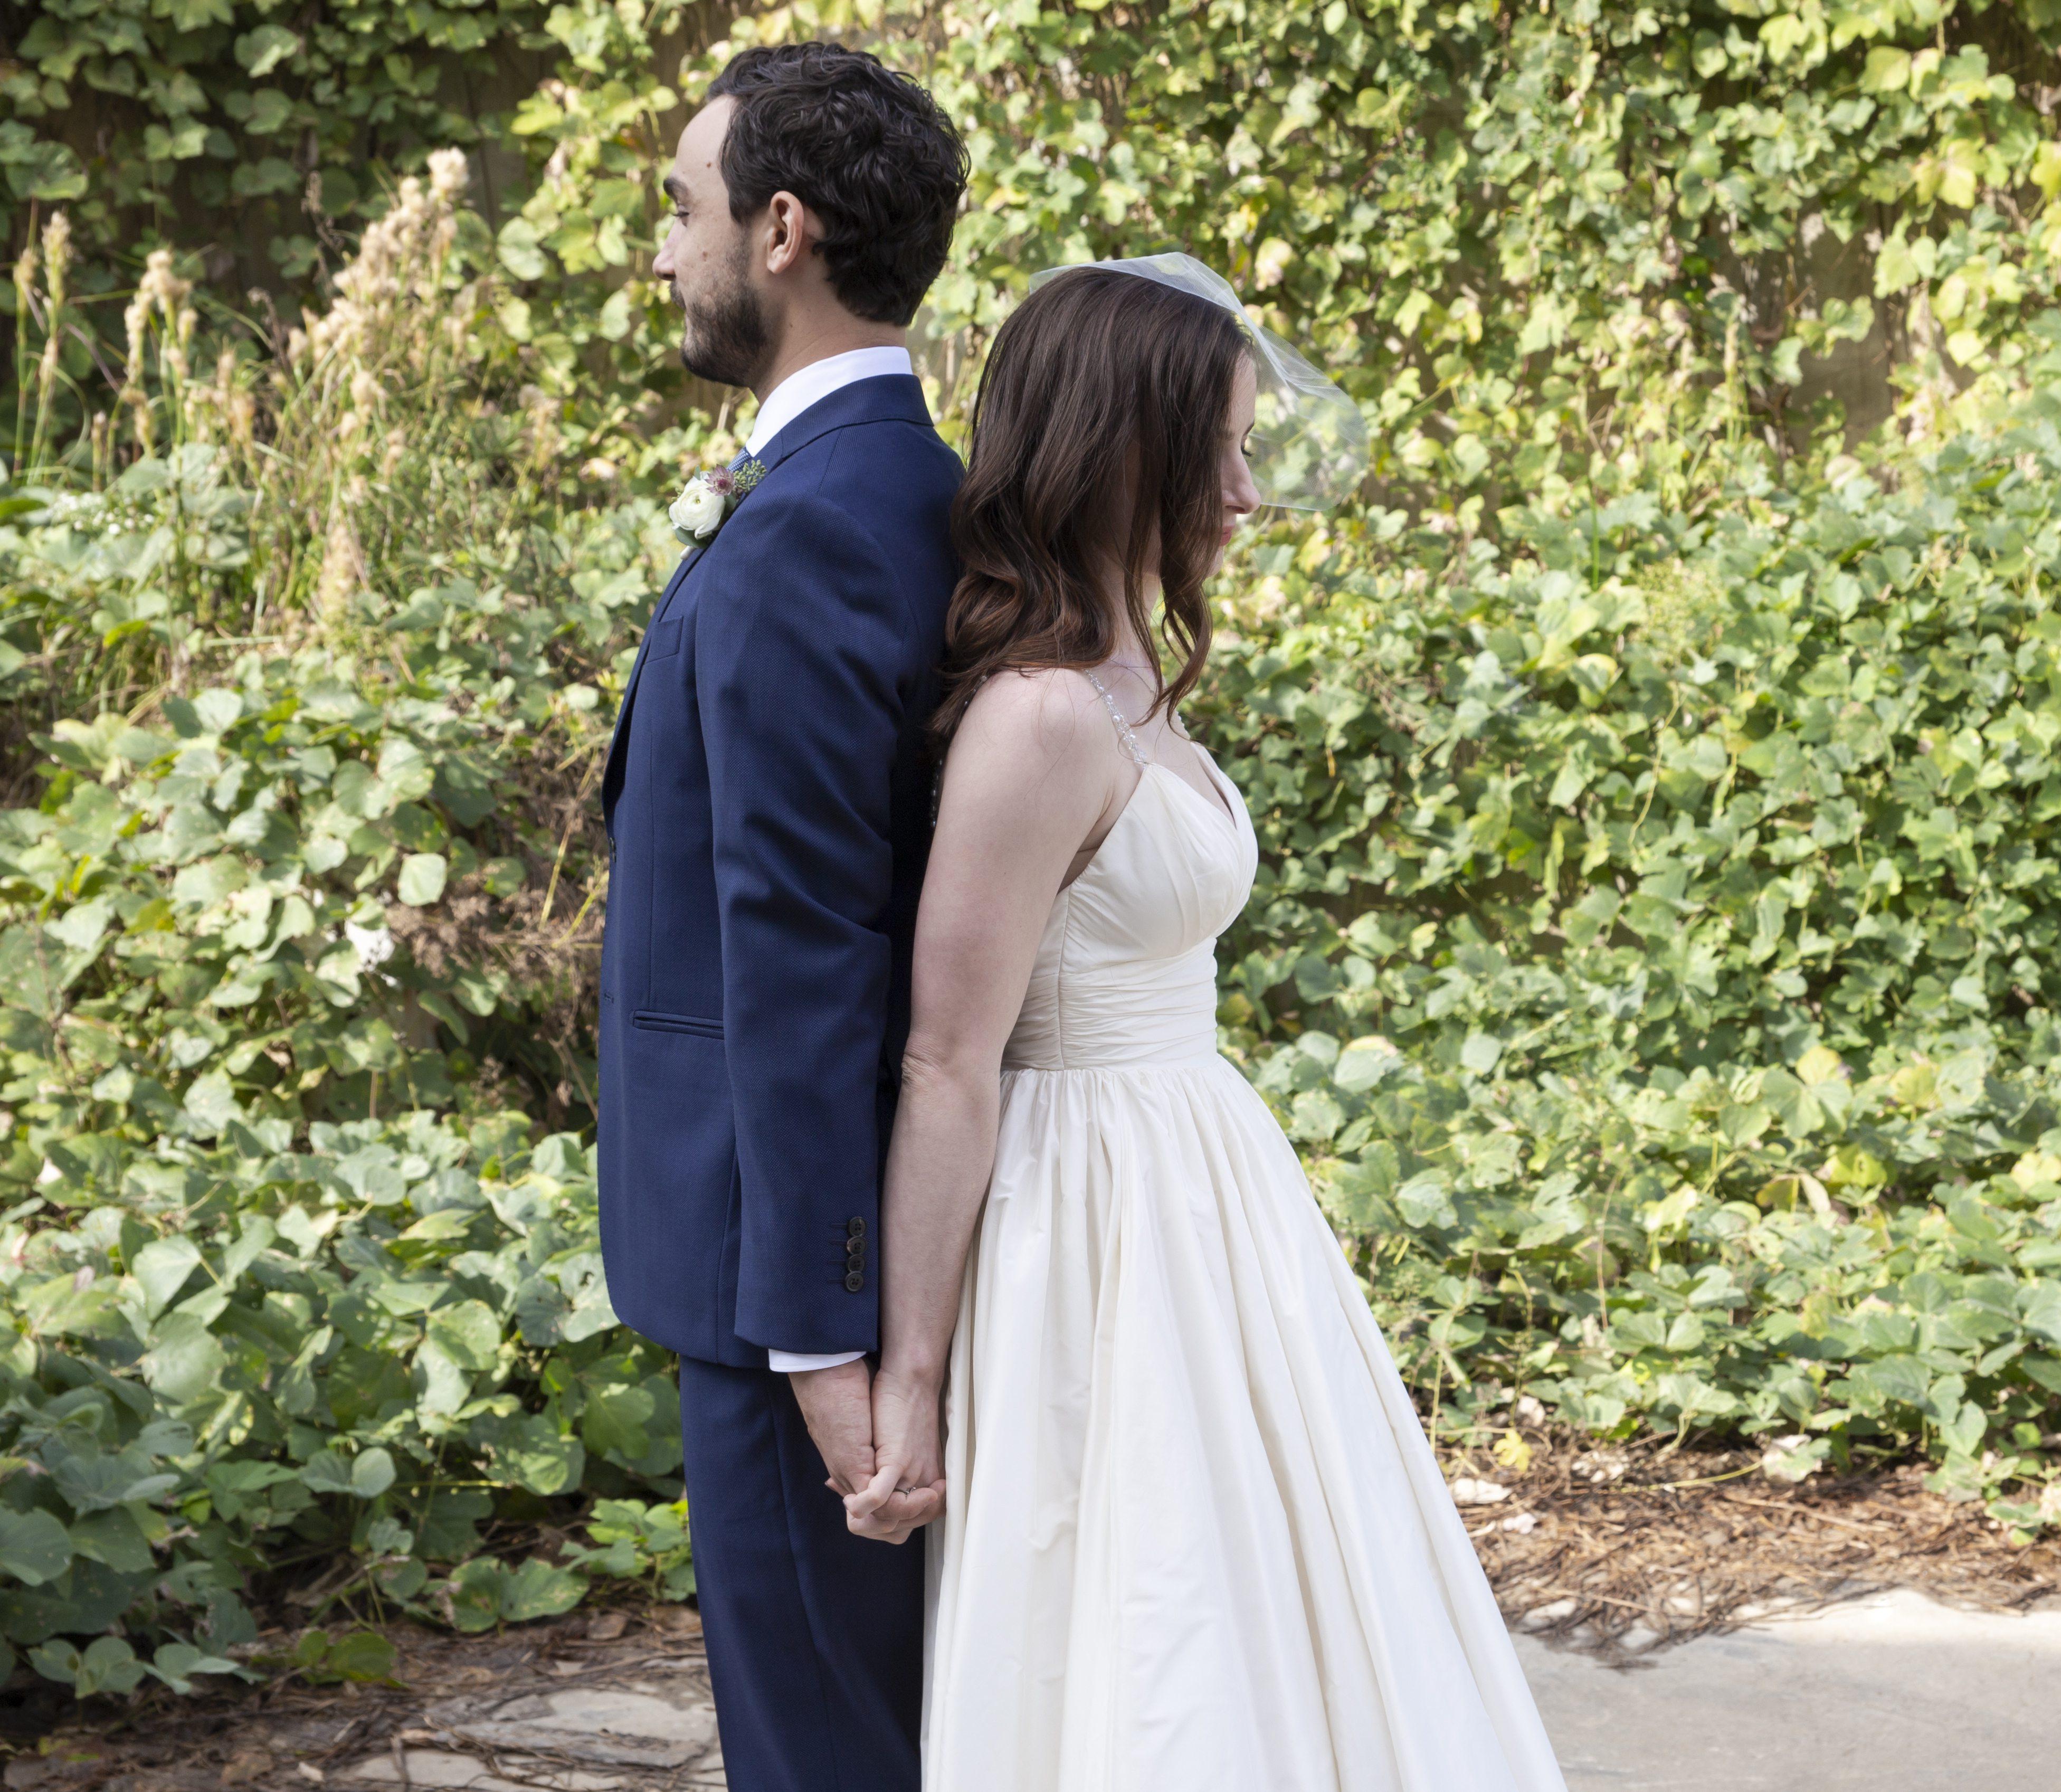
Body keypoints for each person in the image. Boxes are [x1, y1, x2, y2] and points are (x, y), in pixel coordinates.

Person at [846, 260, 1569, 1790]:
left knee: (1265, 1601)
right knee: (1148, 1610)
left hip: (1205, 1188)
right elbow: (947, 1058)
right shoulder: (1040, 717)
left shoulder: (1124, 678)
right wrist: (910, 1374)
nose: (1245, 493)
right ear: (1122, 452)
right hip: (1087, 1217)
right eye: (1216, 453)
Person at [594, 41, 967, 1792]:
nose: (662, 248)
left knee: (823, 1747)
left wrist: (820, 1331)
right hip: (842, 1238)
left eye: (683, 207)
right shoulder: (914, 490)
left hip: (785, 1267)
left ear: (782, 231)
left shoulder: (812, 525)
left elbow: (805, 948)